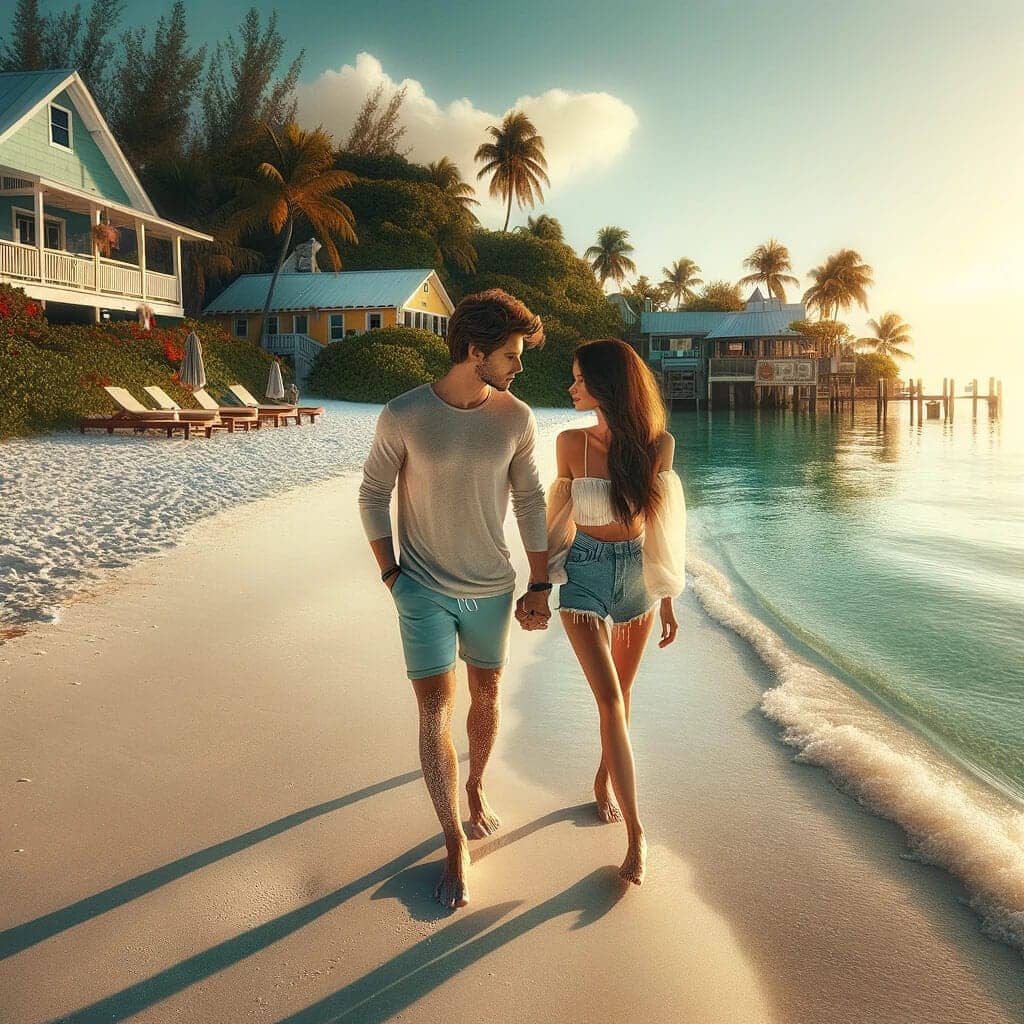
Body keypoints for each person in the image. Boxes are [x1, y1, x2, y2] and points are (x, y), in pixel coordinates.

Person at [358, 289, 552, 909]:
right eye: (511, 355)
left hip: (491, 587)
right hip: (422, 589)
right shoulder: (404, 414)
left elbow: (530, 500)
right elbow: (371, 494)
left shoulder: (517, 418)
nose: (518, 366)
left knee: (487, 696)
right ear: (475, 351)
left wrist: (540, 580)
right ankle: (453, 841)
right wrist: (392, 575)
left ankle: (476, 786)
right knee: (436, 708)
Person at [541, 338, 686, 886]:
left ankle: (604, 782)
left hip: (636, 581)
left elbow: (663, 528)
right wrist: (538, 583)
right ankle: (637, 834)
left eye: (579, 379)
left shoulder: (658, 447)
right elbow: (557, 519)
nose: (571, 387)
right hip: (583, 574)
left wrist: (667, 596)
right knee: (608, 699)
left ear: (606, 386)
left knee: (621, 702)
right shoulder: (569, 445)